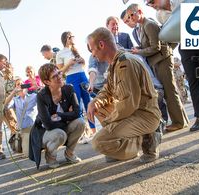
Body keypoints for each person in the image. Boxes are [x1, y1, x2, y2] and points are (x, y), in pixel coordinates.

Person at [87, 27, 161, 163]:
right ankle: (126, 143)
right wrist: (94, 102)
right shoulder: (115, 64)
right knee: (97, 107)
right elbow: (107, 90)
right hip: (134, 112)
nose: (92, 54)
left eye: (92, 49)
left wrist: (110, 121)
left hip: (145, 115)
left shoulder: (125, 63)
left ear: (101, 45)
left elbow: (128, 103)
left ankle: (146, 141)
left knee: (99, 142)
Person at [146, 0, 199, 129]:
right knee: (193, 80)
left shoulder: (181, 1)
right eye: (148, 4)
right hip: (185, 45)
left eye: (152, 1)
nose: (152, 5)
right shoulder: (160, 16)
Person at [126, 3, 189, 132]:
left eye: (132, 15)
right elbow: (149, 45)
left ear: (139, 11)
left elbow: (156, 47)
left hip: (162, 60)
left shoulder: (148, 24)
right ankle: (182, 120)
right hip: (158, 61)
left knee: (170, 92)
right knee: (171, 91)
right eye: (129, 17)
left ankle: (178, 122)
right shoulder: (143, 25)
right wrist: (139, 49)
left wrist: (139, 52)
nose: (131, 18)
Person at [29, 63, 85, 169]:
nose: (59, 77)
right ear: (46, 82)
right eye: (54, 76)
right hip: (44, 132)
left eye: (59, 73)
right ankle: (50, 157)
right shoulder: (41, 95)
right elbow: (48, 124)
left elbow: (77, 112)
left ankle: (69, 153)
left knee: (81, 122)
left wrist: (59, 115)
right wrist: (68, 116)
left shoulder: (69, 88)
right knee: (60, 134)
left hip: (59, 127)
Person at [56, 31, 96, 133]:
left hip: (82, 75)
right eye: (72, 36)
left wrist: (82, 60)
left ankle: (94, 130)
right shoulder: (60, 53)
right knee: (77, 105)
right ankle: (83, 133)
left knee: (89, 102)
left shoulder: (76, 50)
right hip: (71, 78)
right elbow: (60, 72)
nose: (74, 38)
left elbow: (83, 64)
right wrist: (69, 64)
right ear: (67, 38)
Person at [5, 77, 37, 157]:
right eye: (18, 84)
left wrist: (37, 87)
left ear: (26, 85)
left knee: (37, 149)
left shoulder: (33, 96)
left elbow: (45, 95)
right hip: (25, 130)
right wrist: (13, 92)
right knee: (27, 154)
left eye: (22, 84)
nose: (21, 86)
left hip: (36, 128)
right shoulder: (15, 100)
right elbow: (5, 104)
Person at [3, 63, 18, 136]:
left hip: (18, 102)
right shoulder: (1, 81)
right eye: (5, 68)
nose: (7, 69)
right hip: (8, 104)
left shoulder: (17, 79)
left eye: (9, 68)